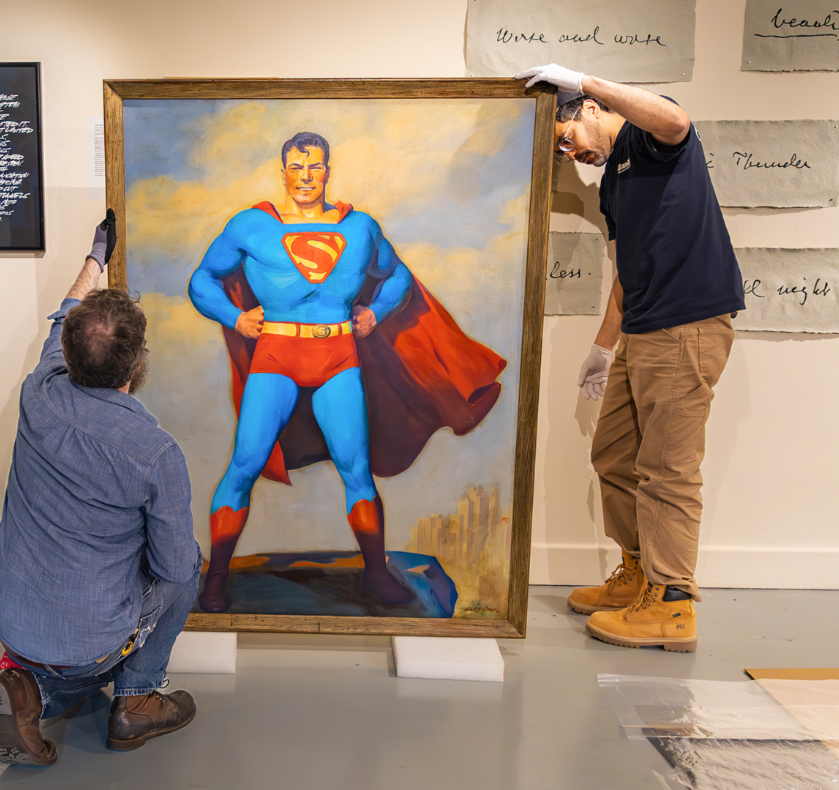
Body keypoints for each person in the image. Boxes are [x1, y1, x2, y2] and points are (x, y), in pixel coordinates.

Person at [188, 131, 506, 614]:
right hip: (276, 356)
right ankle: (216, 579)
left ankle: (376, 574)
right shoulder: (250, 226)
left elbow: (396, 274)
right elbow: (201, 279)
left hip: (336, 355)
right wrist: (234, 317)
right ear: (283, 171)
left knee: (355, 469)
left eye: (314, 166)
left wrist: (376, 311)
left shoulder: (359, 228)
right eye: (297, 167)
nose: (305, 176)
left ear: (327, 169)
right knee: (245, 465)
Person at [516, 64, 745, 653]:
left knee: (668, 468)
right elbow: (625, 271)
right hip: (643, 328)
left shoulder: (651, 138)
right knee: (614, 454)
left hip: (687, 326)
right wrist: (601, 346)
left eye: (565, 140)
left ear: (588, 109)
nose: (569, 155)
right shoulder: (614, 184)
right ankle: (640, 573)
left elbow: (676, 120)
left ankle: (672, 606)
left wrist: (583, 79)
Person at [0, 211, 203, 765]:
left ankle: (31, 689)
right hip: (90, 639)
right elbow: (173, 569)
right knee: (189, 561)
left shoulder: (39, 390)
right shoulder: (155, 453)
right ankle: (135, 700)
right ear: (138, 363)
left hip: (10, 617)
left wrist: (96, 257)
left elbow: (66, 312)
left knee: (73, 638)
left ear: (72, 352)